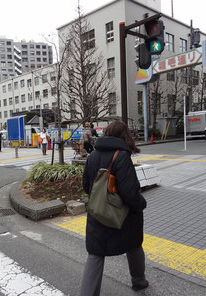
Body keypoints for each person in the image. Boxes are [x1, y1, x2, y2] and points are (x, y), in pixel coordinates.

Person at [80, 120, 148, 295]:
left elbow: (86, 185)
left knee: (95, 254)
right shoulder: (122, 156)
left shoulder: (93, 155)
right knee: (134, 246)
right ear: (124, 135)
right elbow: (129, 192)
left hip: (97, 212)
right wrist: (141, 204)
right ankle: (139, 281)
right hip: (123, 216)